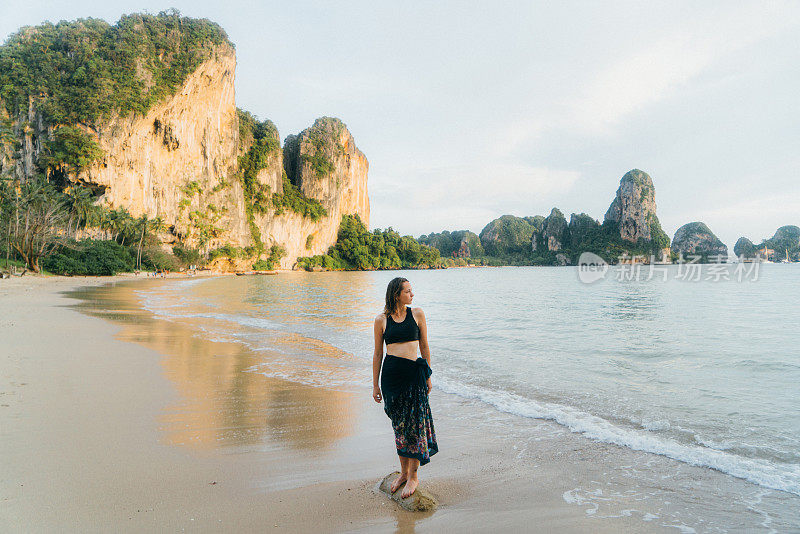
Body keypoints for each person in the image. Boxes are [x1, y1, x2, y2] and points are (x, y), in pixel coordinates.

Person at [372, 277, 438, 499]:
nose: (412, 295)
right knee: (400, 427)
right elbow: (378, 354)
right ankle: (403, 473)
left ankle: (413, 477)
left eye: (412, 291)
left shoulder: (417, 314)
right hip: (391, 379)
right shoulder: (381, 320)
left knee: (416, 427)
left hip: (414, 376)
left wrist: (427, 375)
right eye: (408, 291)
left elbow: (425, 346)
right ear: (396, 294)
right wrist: (375, 385)